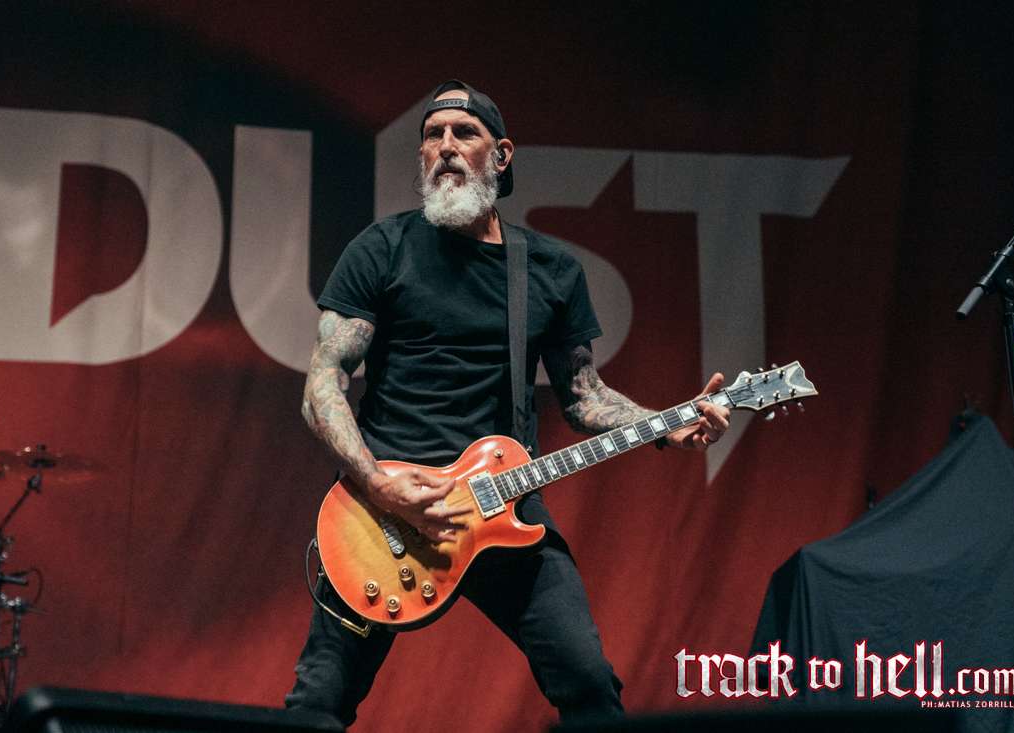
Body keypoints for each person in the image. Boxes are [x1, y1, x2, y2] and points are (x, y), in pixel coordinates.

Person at [286, 79, 730, 730]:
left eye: (463, 133)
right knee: (318, 700)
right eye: (432, 135)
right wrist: (380, 485)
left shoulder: (548, 271)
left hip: (504, 508)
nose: (445, 145)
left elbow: (584, 396)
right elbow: (322, 384)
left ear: (501, 155)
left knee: (589, 685)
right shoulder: (383, 249)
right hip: (385, 514)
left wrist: (670, 423)